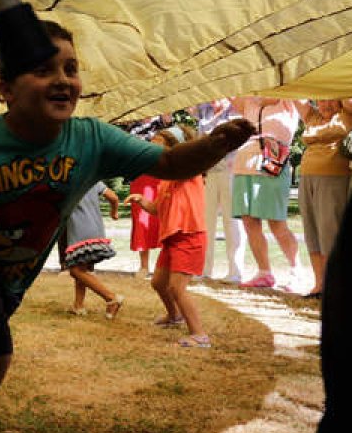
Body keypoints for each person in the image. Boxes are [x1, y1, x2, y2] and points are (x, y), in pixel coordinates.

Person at [0, 21, 254, 433]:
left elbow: (169, 165)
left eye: (70, 68)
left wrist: (214, 146)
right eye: (44, 69)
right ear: (6, 90)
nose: (62, 80)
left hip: (13, 273)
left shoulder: (92, 139)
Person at [128, 125, 213, 348]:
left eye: (159, 149)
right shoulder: (165, 180)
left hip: (189, 236)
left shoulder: (191, 172)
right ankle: (174, 316)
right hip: (172, 238)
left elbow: (192, 157)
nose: (154, 154)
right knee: (158, 283)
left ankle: (199, 335)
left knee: (177, 287)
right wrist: (141, 200)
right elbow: (158, 209)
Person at [230, 96, 302, 291]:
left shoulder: (288, 101)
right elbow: (229, 88)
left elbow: (296, 86)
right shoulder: (249, 102)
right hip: (244, 166)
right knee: (249, 221)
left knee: (277, 223)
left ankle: (296, 271)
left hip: (273, 165)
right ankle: (264, 272)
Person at [297, 99, 352, 298]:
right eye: (321, 99)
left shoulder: (349, 114)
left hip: (333, 177)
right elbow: (295, 95)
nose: (325, 104)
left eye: (331, 99)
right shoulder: (313, 116)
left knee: (329, 231)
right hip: (307, 176)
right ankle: (319, 284)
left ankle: (336, 286)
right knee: (312, 231)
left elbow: (351, 101)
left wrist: (337, 86)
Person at [190, 98, 244, 282]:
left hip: (231, 172)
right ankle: (203, 269)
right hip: (209, 173)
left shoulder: (237, 110)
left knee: (233, 222)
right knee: (205, 223)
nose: (213, 99)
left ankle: (235, 272)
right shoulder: (204, 112)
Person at [61, 180, 124, 318]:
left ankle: (111, 298)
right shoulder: (93, 180)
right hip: (96, 230)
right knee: (83, 269)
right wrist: (114, 213)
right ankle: (78, 306)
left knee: (75, 270)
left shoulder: (68, 182)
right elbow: (113, 197)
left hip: (80, 230)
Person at [127, 169, 161, 280]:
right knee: (142, 221)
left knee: (165, 219)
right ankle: (144, 267)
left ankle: (165, 267)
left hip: (162, 174)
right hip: (140, 178)